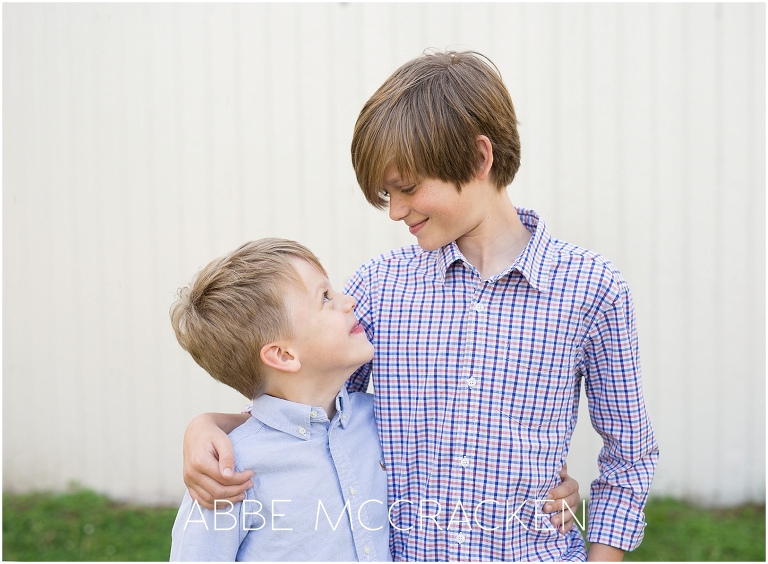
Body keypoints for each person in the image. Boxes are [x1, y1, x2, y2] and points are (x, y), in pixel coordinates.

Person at [182, 50, 659, 561]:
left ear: (479, 158)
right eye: (386, 193)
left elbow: (629, 457)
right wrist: (207, 427)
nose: (395, 211)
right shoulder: (377, 289)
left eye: (407, 188)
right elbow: (309, 411)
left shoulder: (592, 289)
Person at [169, 238, 391, 561]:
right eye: (326, 297)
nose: (350, 302)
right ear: (284, 356)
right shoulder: (229, 474)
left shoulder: (379, 419)